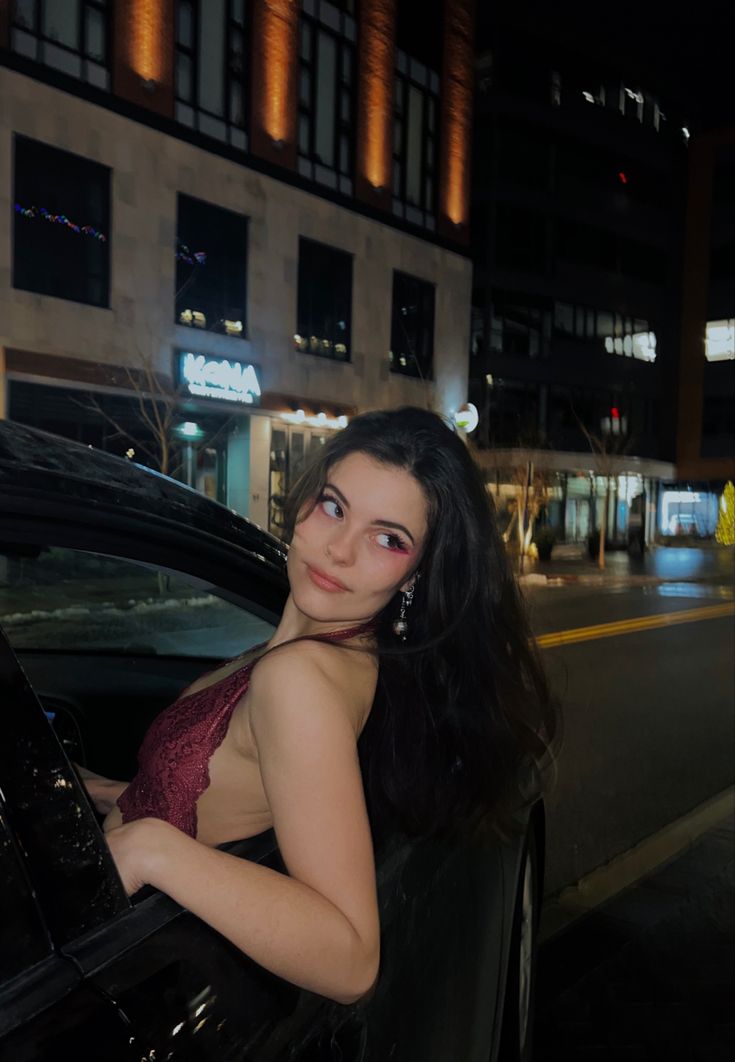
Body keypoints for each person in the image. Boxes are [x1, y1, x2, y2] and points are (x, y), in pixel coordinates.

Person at [82, 406, 556, 1006]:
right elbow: (230, 788)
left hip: (122, 961)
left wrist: (151, 846)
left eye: (388, 539)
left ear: (416, 573)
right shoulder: (311, 652)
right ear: (306, 502)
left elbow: (351, 957)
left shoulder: (299, 680)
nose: (337, 550)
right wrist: (108, 791)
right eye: (334, 506)